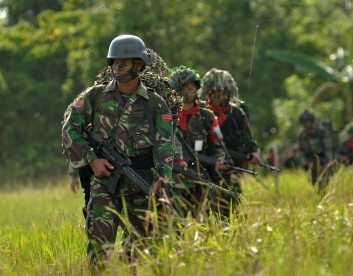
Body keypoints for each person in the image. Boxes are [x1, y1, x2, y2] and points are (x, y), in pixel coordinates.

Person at [62, 34, 180, 270]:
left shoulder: (155, 104)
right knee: (99, 251)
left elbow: (166, 145)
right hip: (104, 184)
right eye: (114, 62)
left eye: (123, 63)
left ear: (139, 65)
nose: (117, 67)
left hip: (141, 185)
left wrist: (162, 179)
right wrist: (92, 160)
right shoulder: (94, 97)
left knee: (138, 252)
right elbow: (70, 130)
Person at [198, 68, 260, 218]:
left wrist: (254, 153)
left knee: (232, 204)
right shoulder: (202, 113)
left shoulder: (237, 113)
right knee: (208, 208)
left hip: (231, 167)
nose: (221, 98)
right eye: (216, 95)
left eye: (224, 94)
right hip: (207, 168)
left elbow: (248, 138)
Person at [169, 65, 226, 218]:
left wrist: (220, 157)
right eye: (185, 87)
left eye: (193, 86)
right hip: (175, 180)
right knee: (174, 225)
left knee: (206, 221)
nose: (190, 90)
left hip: (201, 177)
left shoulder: (207, 116)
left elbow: (217, 142)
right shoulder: (167, 114)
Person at [297, 109, 333, 191]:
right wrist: (305, 163)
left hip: (323, 160)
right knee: (314, 183)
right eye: (305, 122)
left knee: (323, 183)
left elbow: (328, 148)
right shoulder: (301, 136)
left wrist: (326, 163)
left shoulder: (322, 132)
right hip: (310, 163)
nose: (307, 124)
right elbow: (300, 152)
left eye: (309, 122)